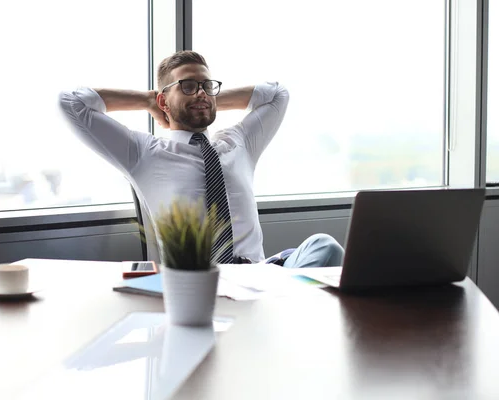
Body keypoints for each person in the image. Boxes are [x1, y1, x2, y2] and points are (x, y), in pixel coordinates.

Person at [59, 50, 344, 267]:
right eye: (187, 86)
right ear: (163, 101)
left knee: (325, 246)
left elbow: (277, 95)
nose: (200, 93)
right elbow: (71, 102)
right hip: (197, 283)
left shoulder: (239, 142)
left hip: (259, 276)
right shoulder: (143, 153)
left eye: (207, 86)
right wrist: (148, 100)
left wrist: (206, 97)